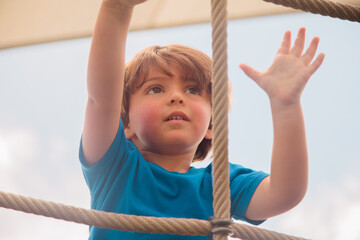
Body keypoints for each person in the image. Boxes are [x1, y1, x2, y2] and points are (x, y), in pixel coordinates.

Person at [79, 0, 325, 239]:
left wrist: (285, 106)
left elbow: (284, 193)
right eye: (155, 89)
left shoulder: (217, 185)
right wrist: (116, 7)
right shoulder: (114, 167)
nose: (176, 97)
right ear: (126, 125)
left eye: (193, 90)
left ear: (210, 126)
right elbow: (101, 101)